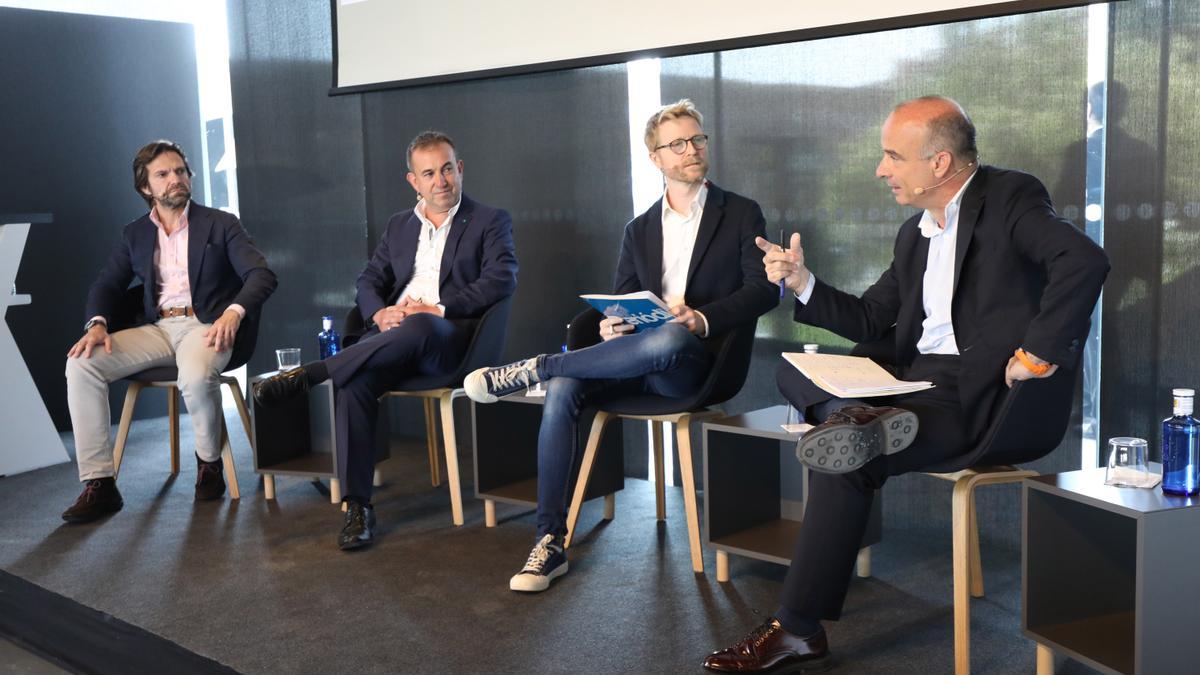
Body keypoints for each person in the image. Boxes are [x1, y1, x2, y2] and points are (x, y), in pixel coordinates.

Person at [704, 96, 1109, 672]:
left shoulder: (1010, 199)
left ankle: (796, 627)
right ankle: (855, 419)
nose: (881, 169)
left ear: (939, 163)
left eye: (893, 156)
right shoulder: (914, 234)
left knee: (845, 458)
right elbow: (872, 319)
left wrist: (1037, 355)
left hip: (980, 397)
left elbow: (1084, 262)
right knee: (792, 368)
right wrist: (802, 281)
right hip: (911, 384)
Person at [465, 99, 777, 592]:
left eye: (698, 139)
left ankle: (538, 367)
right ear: (656, 158)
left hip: (699, 364)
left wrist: (700, 318)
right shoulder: (639, 229)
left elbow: (765, 290)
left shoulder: (740, 213)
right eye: (678, 144)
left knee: (669, 335)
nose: (692, 150)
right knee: (567, 387)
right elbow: (623, 299)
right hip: (636, 357)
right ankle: (549, 541)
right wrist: (613, 324)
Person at [253, 131, 518, 550]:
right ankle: (358, 507)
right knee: (356, 382)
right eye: (429, 173)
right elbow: (369, 280)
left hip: (448, 342)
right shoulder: (399, 225)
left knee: (417, 326)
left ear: (460, 169)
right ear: (413, 181)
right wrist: (380, 313)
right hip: (392, 338)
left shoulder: (489, 220)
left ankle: (314, 373)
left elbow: (501, 279)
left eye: (447, 168)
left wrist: (437, 309)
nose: (441, 180)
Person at [62, 140, 277, 523]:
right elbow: (107, 285)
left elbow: (261, 274)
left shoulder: (220, 223)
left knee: (195, 375)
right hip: (158, 327)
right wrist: (97, 324)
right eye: (163, 174)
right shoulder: (135, 234)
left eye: (180, 171)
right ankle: (100, 483)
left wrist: (233, 312)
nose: (175, 179)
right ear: (146, 188)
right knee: (82, 363)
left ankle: (209, 463)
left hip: (207, 325)